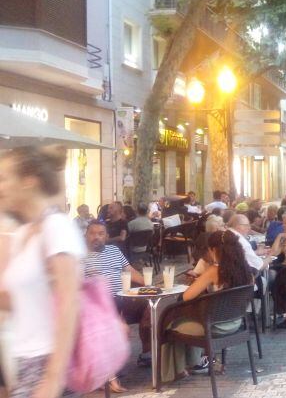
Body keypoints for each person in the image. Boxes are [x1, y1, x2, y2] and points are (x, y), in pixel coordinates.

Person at [0, 146, 84, 398]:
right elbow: (17, 302)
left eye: (4, 178)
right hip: (23, 361)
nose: (0, 186)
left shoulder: (57, 227)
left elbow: (70, 302)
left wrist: (53, 378)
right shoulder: (23, 234)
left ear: (29, 181)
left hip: (47, 363)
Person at [160, 230, 254, 382]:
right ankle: (190, 363)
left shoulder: (214, 271)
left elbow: (185, 297)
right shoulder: (246, 271)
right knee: (184, 317)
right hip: (236, 324)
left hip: (213, 328)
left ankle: (175, 371)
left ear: (213, 250)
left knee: (169, 322)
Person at [82, 221, 146, 392]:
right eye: (92, 233)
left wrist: (148, 283)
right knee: (116, 324)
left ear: (107, 236)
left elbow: (130, 271)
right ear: (86, 235)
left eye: (101, 233)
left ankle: (147, 355)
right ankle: (109, 376)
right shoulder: (80, 255)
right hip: (97, 305)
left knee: (151, 308)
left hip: (123, 298)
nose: (96, 237)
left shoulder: (114, 250)